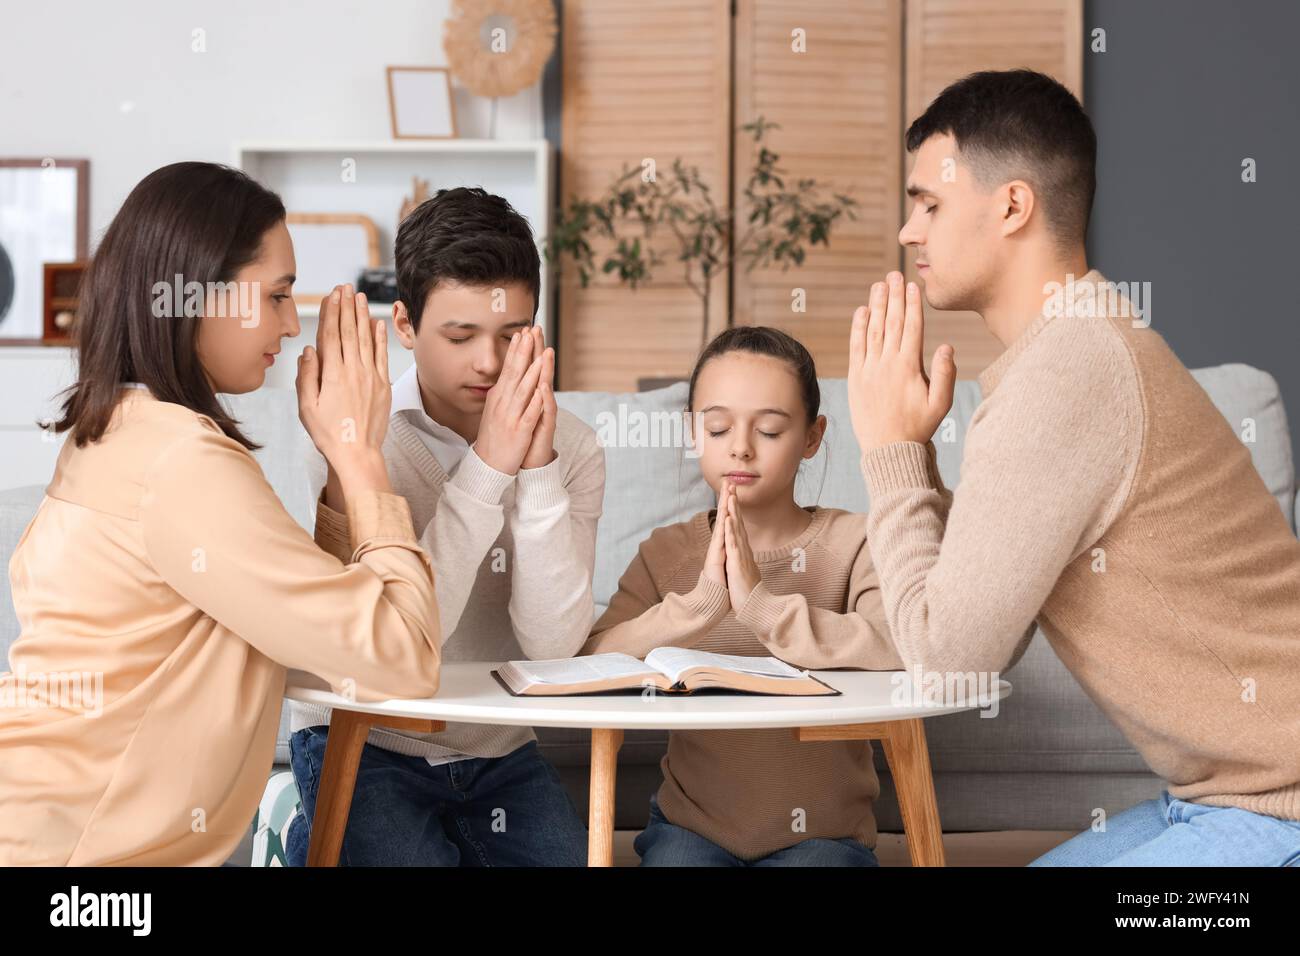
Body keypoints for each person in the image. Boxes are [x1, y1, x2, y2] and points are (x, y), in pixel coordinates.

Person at [847, 69, 1300, 866]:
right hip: (1227, 797)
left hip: (1281, 808)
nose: (907, 233)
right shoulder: (1069, 352)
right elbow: (987, 630)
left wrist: (887, 449)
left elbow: (949, 664)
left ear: (1012, 205)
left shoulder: (1070, 372)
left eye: (929, 204)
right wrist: (910, 451)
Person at [0, 162, 442, 865]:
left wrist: (337, 471)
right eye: (274, 296)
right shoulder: (183, 464)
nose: (290, 323)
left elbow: (316, 626)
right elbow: (401, 656)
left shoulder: (123, 430)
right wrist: (364, 460)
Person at [286, 187, 602, 866]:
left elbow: (552, 650)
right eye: (460, 336)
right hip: (365, 735)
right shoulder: (353, 438)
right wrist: (488, 469)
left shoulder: (573, 449)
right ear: (404, 324)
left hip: (499, 746)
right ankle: (301, 824)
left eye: (512, 334)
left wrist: (538, 468)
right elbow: (392, 647)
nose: (488, 363)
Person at [582, 326, 931, 866]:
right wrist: (697, 607)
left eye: (769, 430)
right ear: (692, 432)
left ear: (812, 437)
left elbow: (906, 643)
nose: (740, 446)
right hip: (691, 830)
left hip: (823, 836)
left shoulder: (855, 541)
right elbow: (590, 658)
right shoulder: (666, 551)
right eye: (717, 427)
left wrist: (762, 607)